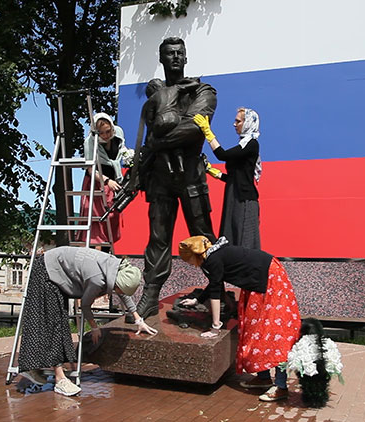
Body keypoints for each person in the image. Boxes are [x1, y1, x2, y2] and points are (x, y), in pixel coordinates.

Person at [131, 37, 218, 321]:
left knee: (203, 236)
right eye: (170, 53)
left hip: (191, 174)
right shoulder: (156, 96)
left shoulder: (203, 91)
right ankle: (150, 294)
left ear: (186, 57)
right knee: (158, 238)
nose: (176, 57)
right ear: (162, 58)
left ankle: (218, 289)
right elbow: (150, 133)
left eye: (180, 53)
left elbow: (194, 127)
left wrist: (158, 141)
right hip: (161, 177)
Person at [18, 247, 157, 396]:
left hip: (53, 266)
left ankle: (34, 366)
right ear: (116, 284)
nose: (120, 293)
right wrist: (94, 327)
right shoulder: (97, 279)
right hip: (46, 270)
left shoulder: (115, 268)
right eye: (119, 290)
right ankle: (59, 379)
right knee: (53, 323)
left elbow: (124, 294)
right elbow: (85, 305)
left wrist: (138, 320)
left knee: (55, 323)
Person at [177, 236, 301, 402]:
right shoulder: (213, 256)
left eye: (189, 260)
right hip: (256, 281)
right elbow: (215, 282)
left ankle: (281, 386)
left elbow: (216, 292)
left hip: (268, 278)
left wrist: (216, 327)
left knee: (274, 332)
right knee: (254, 330)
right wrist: (197, 300)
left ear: (195, 255)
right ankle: (264, 378)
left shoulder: (213, 259)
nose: (190, 264)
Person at [194, 108, 262, 249]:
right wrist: (213, 172)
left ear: (248, 123)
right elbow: (235, 177)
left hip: (244, 199)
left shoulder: (251, 144)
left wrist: (208, 132)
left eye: (238, 121)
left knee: (243, 240)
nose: (234, 124)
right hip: (233, 196)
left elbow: (222, 155)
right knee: (229, 237)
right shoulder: (243, 144)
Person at [76, 113, 129, 249]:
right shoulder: (90, 142)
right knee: (96, 219)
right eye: (101, 133)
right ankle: (91, 254)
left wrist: (130, 158)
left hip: (114, 181)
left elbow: (123, 152)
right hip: (96, 182)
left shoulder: (118, 134)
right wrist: (106, 181)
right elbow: (90, 169)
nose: (105, 135)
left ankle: (107, 252)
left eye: (108, 131)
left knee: (112, 218)